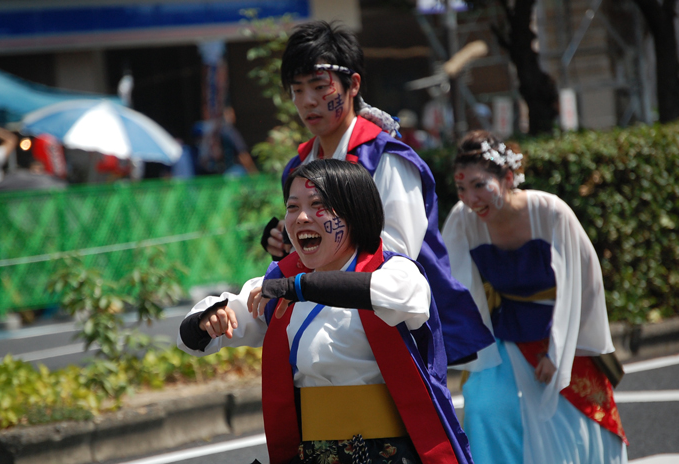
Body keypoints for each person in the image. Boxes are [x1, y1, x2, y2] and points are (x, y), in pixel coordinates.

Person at [179, 159, 474, 464]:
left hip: (390, 454)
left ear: (355, 211)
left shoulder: (396, 271)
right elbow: (195, 337)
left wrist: (299, 287)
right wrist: (207, 321)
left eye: (317, 204)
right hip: (315, 455)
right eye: (292, 207)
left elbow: (398, 296)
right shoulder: (279, 283)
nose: (301, 217)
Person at [260, 20, 493, 366]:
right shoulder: (299, 166)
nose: (307, 101)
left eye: (319, 86)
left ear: (353, 84)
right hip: (325, 330)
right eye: (296, 90)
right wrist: (287, 243)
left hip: (393, 330)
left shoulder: (386, 158)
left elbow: (397, 253)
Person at [441, 130, 628, 464]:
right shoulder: (462, 220)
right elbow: (454, 288)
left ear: (509, 178)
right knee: (485, 407)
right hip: (504, 328)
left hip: (565, 329)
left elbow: (582, 288)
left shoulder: (550, 212)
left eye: (480, 185)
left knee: (564, 423)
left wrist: (558, 353)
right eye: (461, 188)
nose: (470, 198)